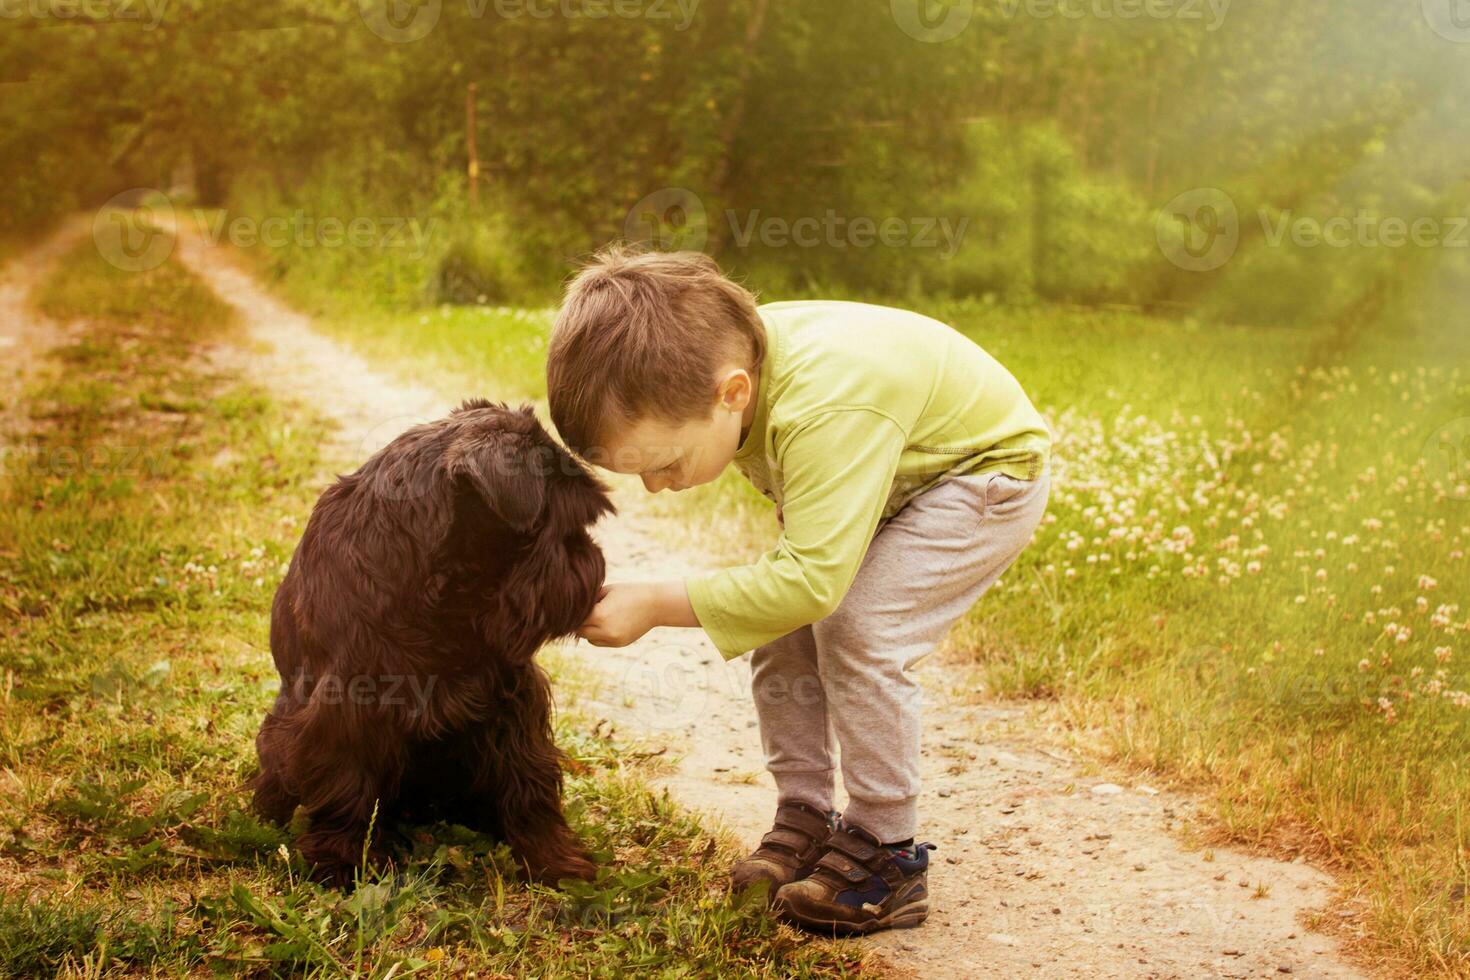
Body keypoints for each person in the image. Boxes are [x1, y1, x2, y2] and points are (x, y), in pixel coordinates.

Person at [546, 244, 1052, 935]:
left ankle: (887, 851)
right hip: (891, 473)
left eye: (663, 464)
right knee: (779, 622)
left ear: (733, 394)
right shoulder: (730, 368)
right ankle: (808, 816)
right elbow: (797, 581)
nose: (656, 487)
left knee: (858, 628)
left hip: (980, 477)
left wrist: (659, 604)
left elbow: (812, 581)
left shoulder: (826, 405)